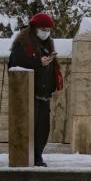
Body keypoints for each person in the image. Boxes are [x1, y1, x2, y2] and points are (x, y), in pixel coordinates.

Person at [7, 13, 63, 167]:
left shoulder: (47, 43)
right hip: (29, 93)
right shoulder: (23, 43)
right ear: (35, 28)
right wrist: (39, 62)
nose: (46, 32)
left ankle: (38, 154)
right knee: (31, 126)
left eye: (48, 29)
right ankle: (32, 156)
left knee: (43, 128)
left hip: (44, 93)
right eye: (43, 29)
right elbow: (17, 64)